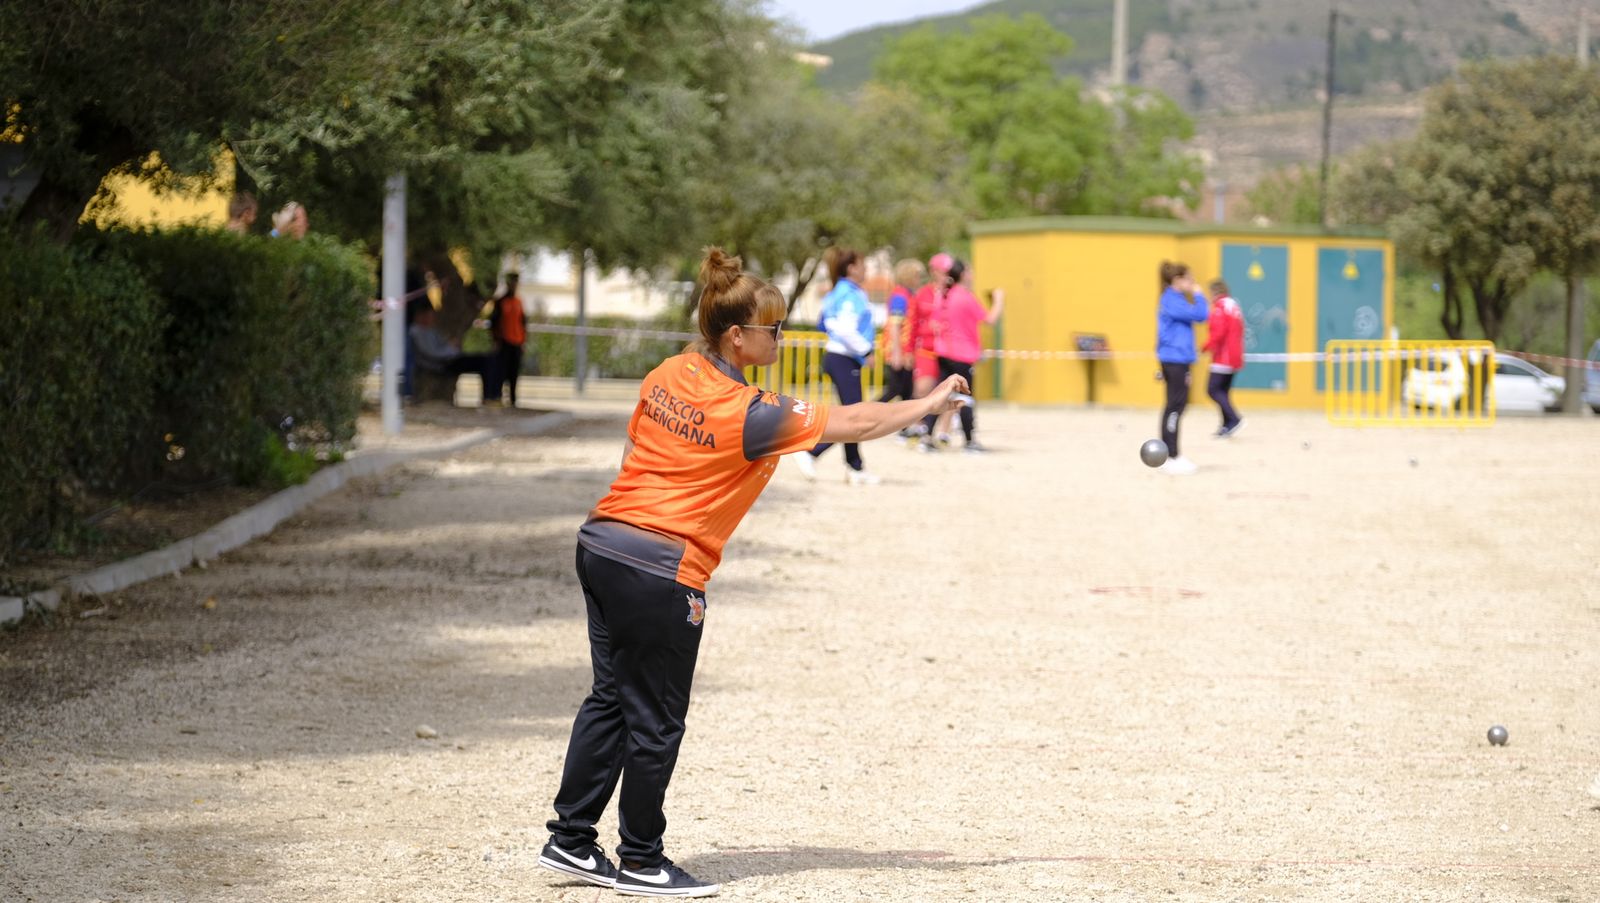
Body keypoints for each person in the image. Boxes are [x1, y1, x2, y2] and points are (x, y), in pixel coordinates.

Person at [539, 247, 968, 898]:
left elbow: (633, 451)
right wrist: (929, 402)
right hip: (661, 566)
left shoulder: (669, 372)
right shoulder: (750, 412)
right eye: (774, 328)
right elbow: (856, 420)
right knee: (656, 719)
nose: (782, 337)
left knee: (611, 697)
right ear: (736, 336)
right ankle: (642, 860)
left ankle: (570, 839)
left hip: (602, 544)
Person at [794, 248, 879, 485]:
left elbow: (824, 323)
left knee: (853, 415)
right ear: (851, 268)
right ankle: (812, 451)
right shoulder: (850, 294)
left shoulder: (837, 292)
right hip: (844, 357)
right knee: (855, 417)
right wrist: (866, 350)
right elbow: (844, 329)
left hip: (839, 357)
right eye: (862, 265)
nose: (866, 269)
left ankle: (855, 467)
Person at [920, 258, 1002, 453]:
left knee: (941, 395)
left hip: (944, 353)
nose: (972, 275)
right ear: (963, 274)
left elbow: (934, 323)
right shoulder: (965, 297)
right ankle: (970, 442)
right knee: (965, 397)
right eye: (970, 271)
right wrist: (999, 300)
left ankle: (927, 437)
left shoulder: (944, 295)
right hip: (961, 355)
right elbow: (990, 320)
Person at [1155, 261, 1209, 475]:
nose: (1192, 282)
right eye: (1189, 278)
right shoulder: (1171, 300)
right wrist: (1199, 294)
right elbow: (1201, 314)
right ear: (1177, 280)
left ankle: (1169, 454)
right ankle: (1172, 455)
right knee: (1175, 406)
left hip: (1180, 358)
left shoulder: (1175, 299)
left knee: (1176, 406)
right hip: (1174, 359)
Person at [907, 252, 952, 446]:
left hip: (949, 350)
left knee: (949, 390)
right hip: (926, 348)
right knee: (922, 389)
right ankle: (919, 425)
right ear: (934, 271)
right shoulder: (923, 293)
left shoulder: (954, 294)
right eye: (942, 271)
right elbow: (912, 323)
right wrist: (908, 349)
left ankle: (944, 431)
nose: (946, 275)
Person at [407, 304, 491, 387]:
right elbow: (434, 353)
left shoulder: (429, 329)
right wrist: (453, 350)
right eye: (430, 316)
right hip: (442, 364)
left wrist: (452, 345)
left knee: (485, 360)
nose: (432, 319)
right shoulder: (418, 332)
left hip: (448, 358)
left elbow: (442, 343)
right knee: (483, 362)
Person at [1202, 278, 1245, 438]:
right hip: (1235, 355)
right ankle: (1226, 424)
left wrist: (1205, 347)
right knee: (1223, 392)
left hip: (1223, 356)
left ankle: (1234, 418)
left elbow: (1218, 333)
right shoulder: (1234, 306)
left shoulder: (1220, 308)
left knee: (1212, 389)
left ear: (1214, 292)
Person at [877, 258, 923, 404]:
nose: (920, 279)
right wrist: (897, 353)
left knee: (906, 389)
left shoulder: (908, 295)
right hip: (898, 350)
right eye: (917, 276)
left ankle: (907, 420)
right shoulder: (900, 297)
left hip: (906, 350)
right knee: (895, 389)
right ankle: (869, 411)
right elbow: (895, 325)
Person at [485, 273, 527, 408]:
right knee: (501, 371)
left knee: (514, 372)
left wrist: (523, 342)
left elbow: (523, 323)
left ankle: (513, 399)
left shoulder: (519, 302)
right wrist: (496, 340)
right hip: (504, 342)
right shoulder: (500, 302)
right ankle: (497, 396)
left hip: (517, 342)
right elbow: (493, 323)